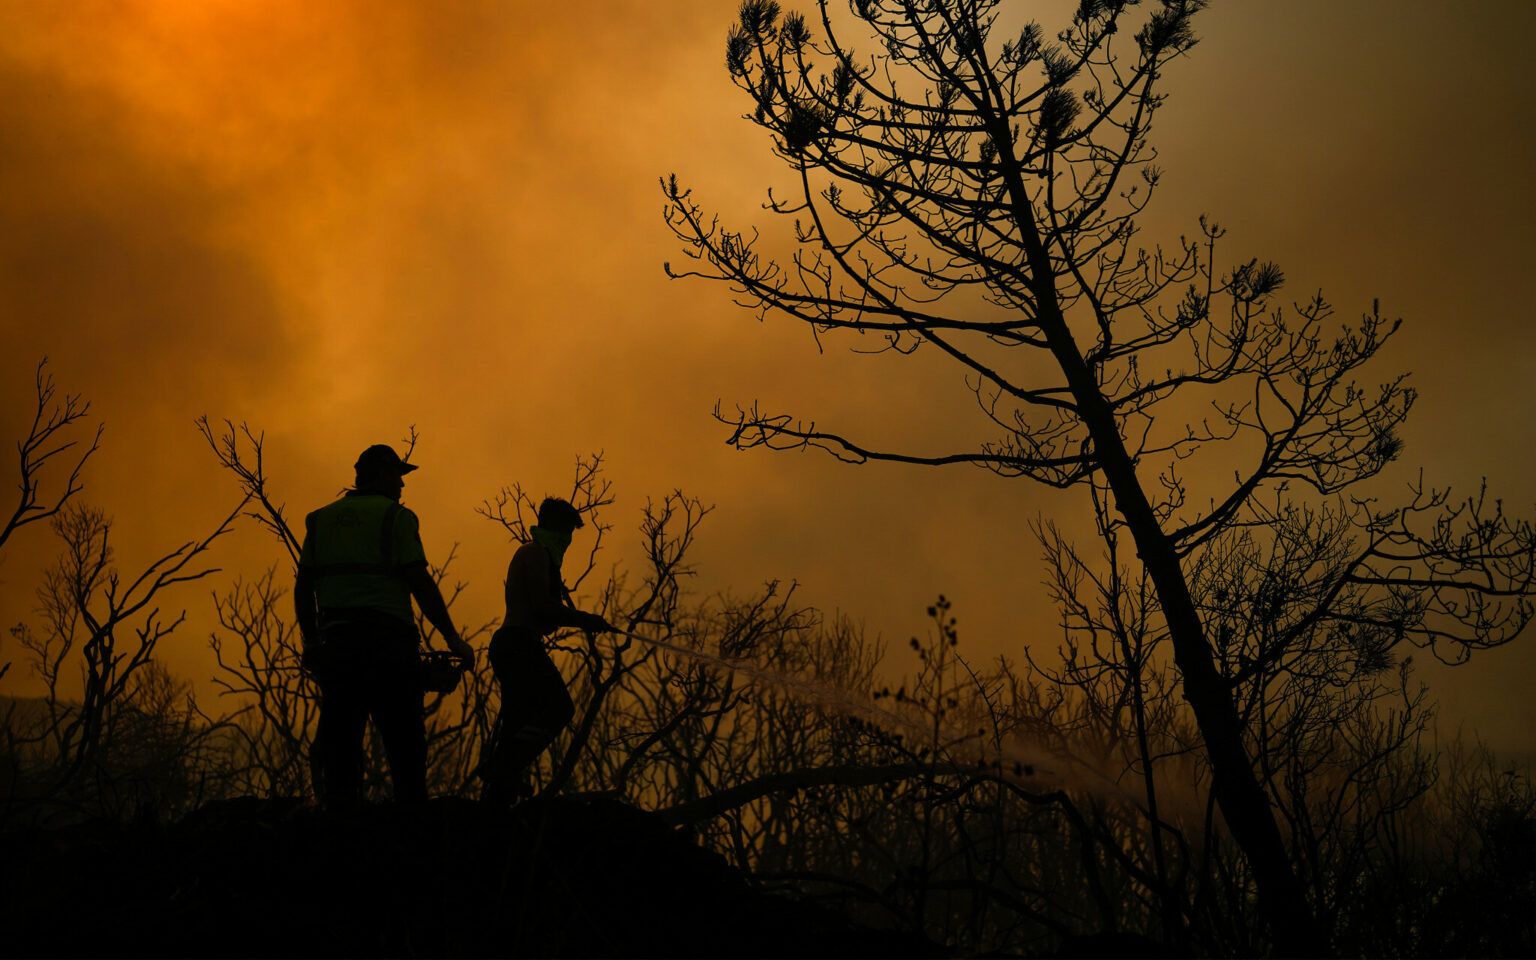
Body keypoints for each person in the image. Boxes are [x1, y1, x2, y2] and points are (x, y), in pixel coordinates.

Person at [294, 443, 473, 809]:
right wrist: (452, 637)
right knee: (406, 748)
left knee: (341, 749)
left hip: (339, 648)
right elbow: (419, 582)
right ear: (382, 475)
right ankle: (411, 832)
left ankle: (341, 833)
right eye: (398, 477)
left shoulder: (320, 519)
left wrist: (312, 643)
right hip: (390, 647)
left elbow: (303, 587)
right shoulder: (397, 517)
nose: (402, 487)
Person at [480, 496, 612, 804]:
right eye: (567, 532)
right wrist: (585, 619)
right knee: (559, 709)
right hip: (517, 645)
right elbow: (542, 608)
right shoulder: (535, 553)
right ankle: (501, 768)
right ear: (554, 527)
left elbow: (545, 612)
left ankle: (498, 797)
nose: (567, 541)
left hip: (516, 644)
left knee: (518, 722)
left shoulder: (543, 558)